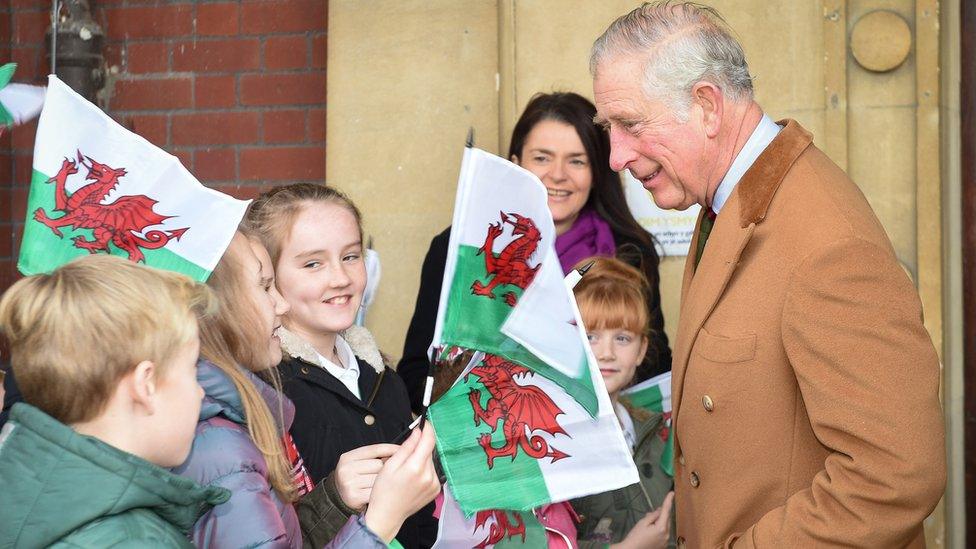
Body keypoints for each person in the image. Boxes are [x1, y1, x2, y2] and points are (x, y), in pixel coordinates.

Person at [590, 2, 946, 547]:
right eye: (609, 128)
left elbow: (893, 477)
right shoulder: (731, 201)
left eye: (631, 124)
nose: (615, 156)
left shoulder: (827, 246)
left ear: (706, 106)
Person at [398, 91, 671, 414]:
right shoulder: (459, 248)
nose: (558, 174)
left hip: (601, 442)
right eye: (542, 158)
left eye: (577, 161)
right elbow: (415, 375)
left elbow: (655, 366)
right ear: (515, 165)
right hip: (489, 443)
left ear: (597, 171)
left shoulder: (630, 253)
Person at [172, 231, 440, 548]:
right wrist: (381, 521)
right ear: (217, 308)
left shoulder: (246, 412)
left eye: (352, 256)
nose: (281, 304)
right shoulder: (223, 446)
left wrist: (339, 496)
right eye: (265, 286)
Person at [244, 183, 437, 548]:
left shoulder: (384, 378)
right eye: (313, 263)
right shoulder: (264, 392)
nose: (341, 278)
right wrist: (333, 497)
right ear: (268, 276)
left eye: (350, 256)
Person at [0, 255, 228, 547]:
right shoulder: (136, 541)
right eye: (192, 368)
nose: (199, 392)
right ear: (145, 384)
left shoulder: (28, 496)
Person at [570, 257, 674, 549]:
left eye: (623, 338)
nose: (607, 353)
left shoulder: (654, 432)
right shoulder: (551, 442)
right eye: (590, 336)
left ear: (642, 350)